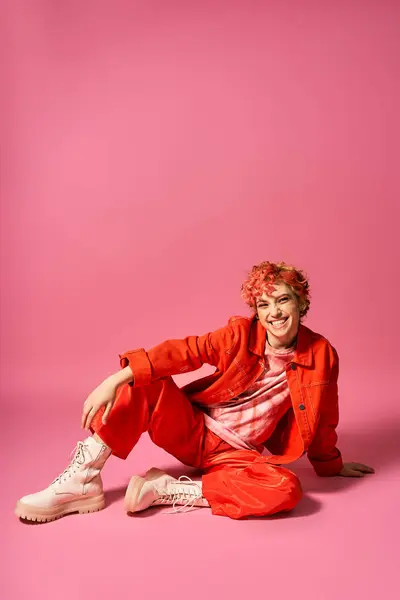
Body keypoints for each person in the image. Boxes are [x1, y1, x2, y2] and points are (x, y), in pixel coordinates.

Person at [15, 261, 374, 522]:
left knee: (287, 489)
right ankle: (83, 481)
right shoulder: (239, 335)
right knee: (148, 381)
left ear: (300, 303)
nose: (274, 313)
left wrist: (331, 465)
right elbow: (185, 352)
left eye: (282, 301)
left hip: (238, 455)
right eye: (264, 305)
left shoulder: (323, 355)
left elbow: (326, 415)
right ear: (256, 311)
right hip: (194, 431)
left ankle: (165, 490)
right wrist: (116, 379)